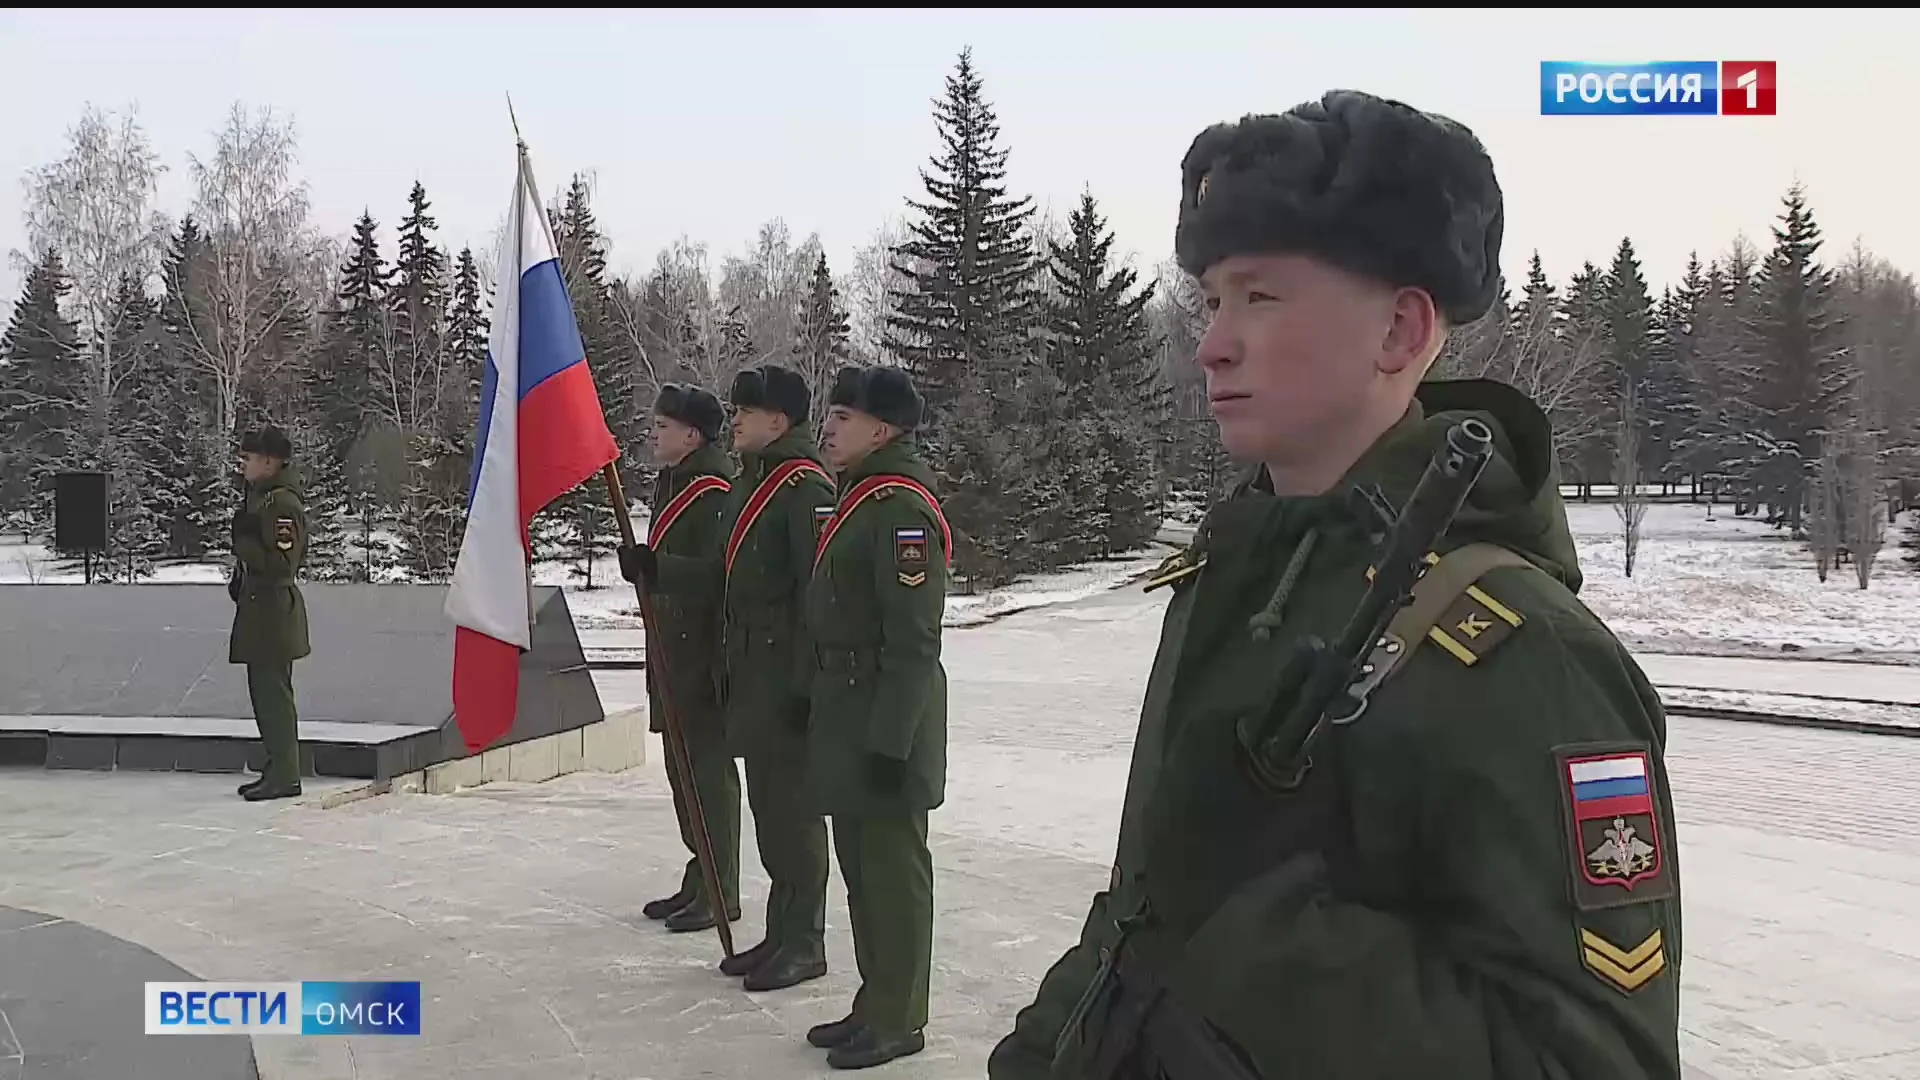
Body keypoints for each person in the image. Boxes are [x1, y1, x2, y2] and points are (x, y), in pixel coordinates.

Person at [987, 91, 1684, 1079]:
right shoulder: (1230, 574)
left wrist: (1253, 936)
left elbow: (1591, 1059)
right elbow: (1152, 906)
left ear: (1399, 331)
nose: (1213, 342)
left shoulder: (1526, 652)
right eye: (1213, 300)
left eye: (1261, 298)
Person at [648, 364, 839, 992]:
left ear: (777, 422)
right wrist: (658, 571)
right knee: (772, 816)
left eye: (743, 413)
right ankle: (782, 933)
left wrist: (805, 687)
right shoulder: (756, 486)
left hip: (783, 680)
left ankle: (804, 940)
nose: (733, 422)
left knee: (794, 817)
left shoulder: (803, 488)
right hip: (751, 677)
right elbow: (725, 578)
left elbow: (819, 598)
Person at [802, 365, 952, 1070]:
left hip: (886, 723)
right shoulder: (860, 497)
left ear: (882, 430)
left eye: (842, 417)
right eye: (830, 415)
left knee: (892, 876)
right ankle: (875, 999)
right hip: (850, 716)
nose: (827, 428)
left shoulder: (898, 509)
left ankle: (900, 1017)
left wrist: (891, 741)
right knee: (862, 872)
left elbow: (915, 639)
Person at [617, 383, 742, 934]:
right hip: (674, 649)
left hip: (701, 657)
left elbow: (719, 576)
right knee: (682, 774)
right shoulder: (677, 482)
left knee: (705, 777)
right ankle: (702, 874)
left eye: (662, 426)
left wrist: (658, 570)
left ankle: (721, 888)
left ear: (691, 435)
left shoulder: (711, 490)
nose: (653, 434)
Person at [229, 425, 310, 803]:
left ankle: (286, 772)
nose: (242, 464)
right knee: (264, 694)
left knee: (274, 696)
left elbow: (281, 567)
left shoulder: (280, 504)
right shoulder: (261, 499)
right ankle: (277, 765)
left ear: (269, 462)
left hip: (274, 613)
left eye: (248, 458)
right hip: (261, 611)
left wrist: (244, 544)